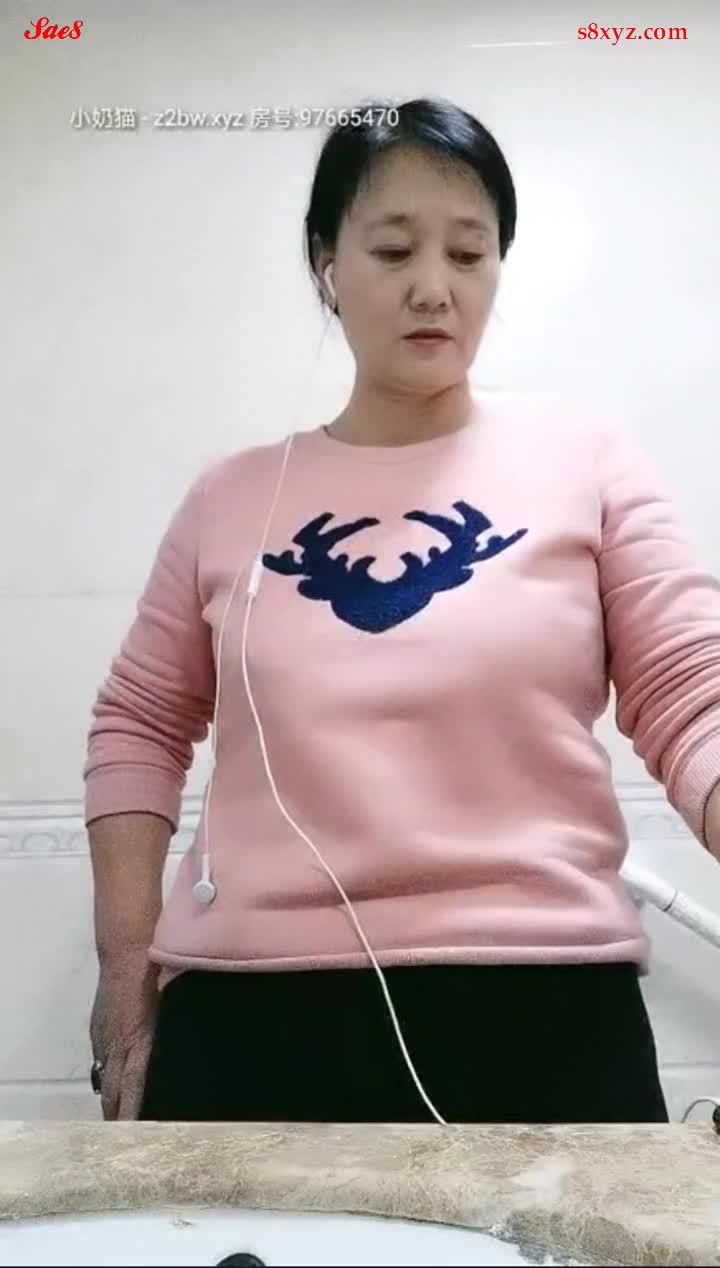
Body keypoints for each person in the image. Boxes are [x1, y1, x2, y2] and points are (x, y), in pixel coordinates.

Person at [84, 96, 720, 1125]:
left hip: (547, 1012)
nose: (435, 287)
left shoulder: (590, 466)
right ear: (325, 263)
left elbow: (694, 698)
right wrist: (124, 970)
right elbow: (138, 725)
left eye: (469, 253)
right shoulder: (231, 497)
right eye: (392, 250)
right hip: (251, 1022)